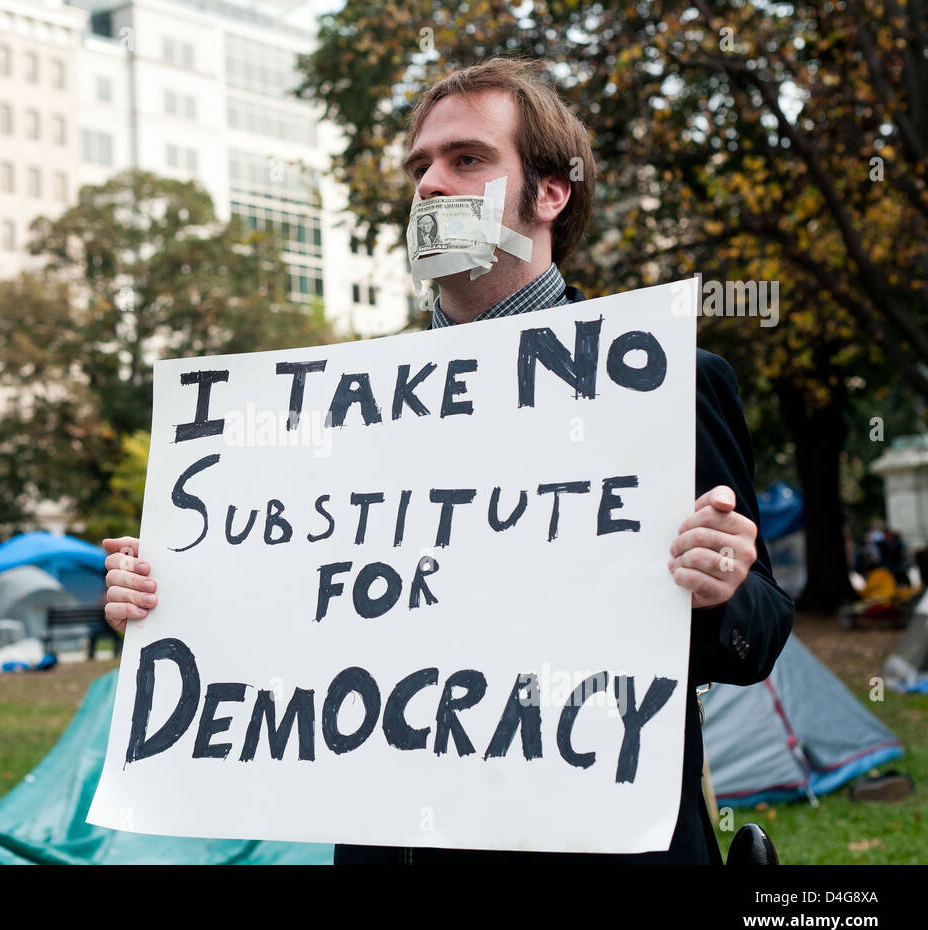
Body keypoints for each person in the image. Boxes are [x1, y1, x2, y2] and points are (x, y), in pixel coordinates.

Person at [102, 58, 795, 864]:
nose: (429, 184)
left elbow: (760, 637)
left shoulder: (666, 382)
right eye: (419, 166)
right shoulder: (338, 405)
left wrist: (724, 588)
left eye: (467, 159)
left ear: (549, 192)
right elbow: (287, 624)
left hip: (595, 841)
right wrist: (157, 602)